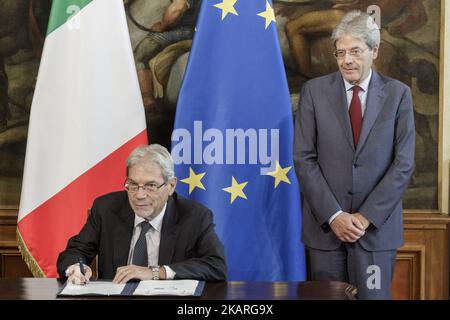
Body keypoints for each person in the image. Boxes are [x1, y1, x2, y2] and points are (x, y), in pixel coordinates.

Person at [293, 11, 415, 299]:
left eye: (355, 51)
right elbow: (303, 158)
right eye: (341, 52)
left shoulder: (398, 95)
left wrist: (365, 217)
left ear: (374, 51)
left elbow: (403, 164)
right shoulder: (313, 92)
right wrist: (335, 216)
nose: (347, 60)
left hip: (375, 233)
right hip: (326, 232)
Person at [57, 144, 227, 284]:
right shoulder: (106, 209)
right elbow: (75, 251)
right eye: (132, 184)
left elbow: (216, 265)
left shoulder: (195, 216)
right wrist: (75, 267)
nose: (139, 195)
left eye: (150, 185)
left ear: (171, 186)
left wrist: (155, 272)